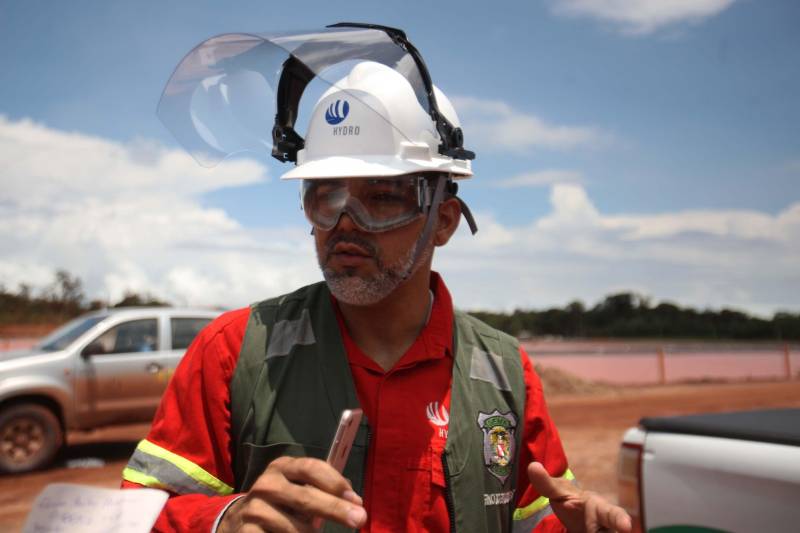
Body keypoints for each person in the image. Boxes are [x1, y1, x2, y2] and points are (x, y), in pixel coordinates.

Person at [122, 26, 631, 533]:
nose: (346, 224)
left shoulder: (502, 373)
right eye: (327, 196)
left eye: (383, 196)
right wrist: (224, 519)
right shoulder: (235, 353)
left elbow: (538, 518)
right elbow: (136, 516)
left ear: (445, 221)